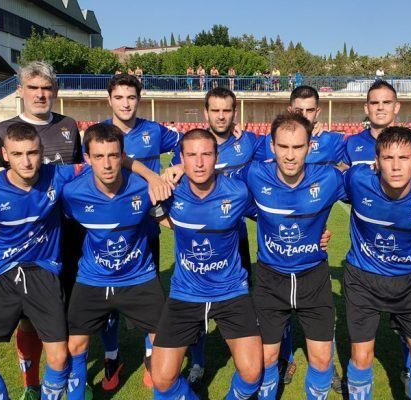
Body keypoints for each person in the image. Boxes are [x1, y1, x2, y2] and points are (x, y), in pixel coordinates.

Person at [0, 123, 75, 400]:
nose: (26, 161)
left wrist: (162, 174)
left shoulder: (57, 175)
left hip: (43, 272)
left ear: (42, 152)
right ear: (4, 154)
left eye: (32, 153)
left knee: (59, 358)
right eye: (17, 154)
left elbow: (103, 163)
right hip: (0, 274)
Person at [150, 129, 263, 400]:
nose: (199, 162)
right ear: (181, 159)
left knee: (251, 373)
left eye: (206, 154)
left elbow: (269, 216)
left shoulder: (237, 192)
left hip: (231, 292)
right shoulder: (171, 191)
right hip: (185, 293)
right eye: (191, 155)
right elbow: (154, 210)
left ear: (216, 158)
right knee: (162, 380)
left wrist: (313, 232)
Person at [343, 79, 411, 387]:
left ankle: (410, 370)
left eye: (387, 102)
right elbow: (328, 179)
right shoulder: (351, 144)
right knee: (362, 354)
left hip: (405, 263)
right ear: (366, 107)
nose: (381, 107)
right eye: (375, 102)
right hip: (365, 261)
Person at [63, 124, 166, 400]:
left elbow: (168, 220)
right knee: (75, 346)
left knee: (164, 343)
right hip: (92, 279)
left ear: (123, 156)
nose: (107, 164)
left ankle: (163, 389)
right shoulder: (72, 193)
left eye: (113, 155)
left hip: (139, 278)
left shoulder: (144, 187)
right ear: (87, 158)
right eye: (99, 156)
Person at [254, 85, 346, 391]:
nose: (290, 156)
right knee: (265, 359)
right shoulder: (254, 175)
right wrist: (171, 172)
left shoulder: (330, 178)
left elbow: (376, 187)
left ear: (309, 146)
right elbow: (212, 186)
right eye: (283, 147)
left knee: (321, 360)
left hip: (314, 279)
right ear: (272, 146)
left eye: (297, 148)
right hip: (270, 279)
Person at [100, 73, 179, 390]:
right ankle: (111, 357)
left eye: (130, 97)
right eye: (119, 97)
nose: (125, 103)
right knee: (108, 301)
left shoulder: (154, 130)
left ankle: (150, 355)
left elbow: (187, 145)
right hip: (110, 231)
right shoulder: (99, 135)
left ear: (139, 99)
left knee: (150, 295)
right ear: (109, 100)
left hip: (147, 228)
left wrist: (173, 170)